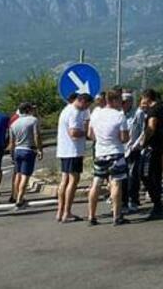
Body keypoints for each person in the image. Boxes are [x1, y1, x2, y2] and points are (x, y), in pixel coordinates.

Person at [87, 90, 130, 226]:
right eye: (120, 101)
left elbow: (90, 134)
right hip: (115, 152)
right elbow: (124, 138)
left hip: (100, 152)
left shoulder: (95, 113)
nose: (121, 104)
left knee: (97, 183)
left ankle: (91, 216)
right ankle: (117, 216)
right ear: (114, 100)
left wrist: (101, 139)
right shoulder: (119, 116)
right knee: (116, 183)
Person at [55, 93, 91, 223]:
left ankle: (60, 211)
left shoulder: (66, 109)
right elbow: (73, 133)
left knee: (64, 180)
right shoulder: (75, 112)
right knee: (73, 180)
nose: (85, 108)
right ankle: (67, 212)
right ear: (80, 101)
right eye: (86, 105)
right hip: (73, 150)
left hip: (65, 150)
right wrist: (87, 133)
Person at [136, 89, 163, 219]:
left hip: (152, 146)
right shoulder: (162, 108)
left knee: (146, 174)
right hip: (160, 144)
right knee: (155, 174)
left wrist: (143, 142)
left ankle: (157, 203)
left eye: (143, 99)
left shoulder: (153, 110)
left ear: (147, 98)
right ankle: (158, 202)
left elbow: (151, 126)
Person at [8, 103, 42, 209]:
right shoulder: (33, 120)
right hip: (28, 150)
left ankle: (16, 194)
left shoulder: (14, 123)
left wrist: (11, 154)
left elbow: (12, 142)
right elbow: (37, 135)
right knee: (25, 176)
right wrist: (39, 149)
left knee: (18, 174)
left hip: (17, 150)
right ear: (28, 110)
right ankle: (20, 199)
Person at [121, 91, 146, 213]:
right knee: (123, 177)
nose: (123, 104)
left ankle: (133, 200)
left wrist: (137, 145)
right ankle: (123, 202)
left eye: (125, 102)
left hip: (134, 149)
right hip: (122, 150)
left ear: (130, 102)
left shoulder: (138, 113)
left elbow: (143, 131)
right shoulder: (119, 114)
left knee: (133, 176)